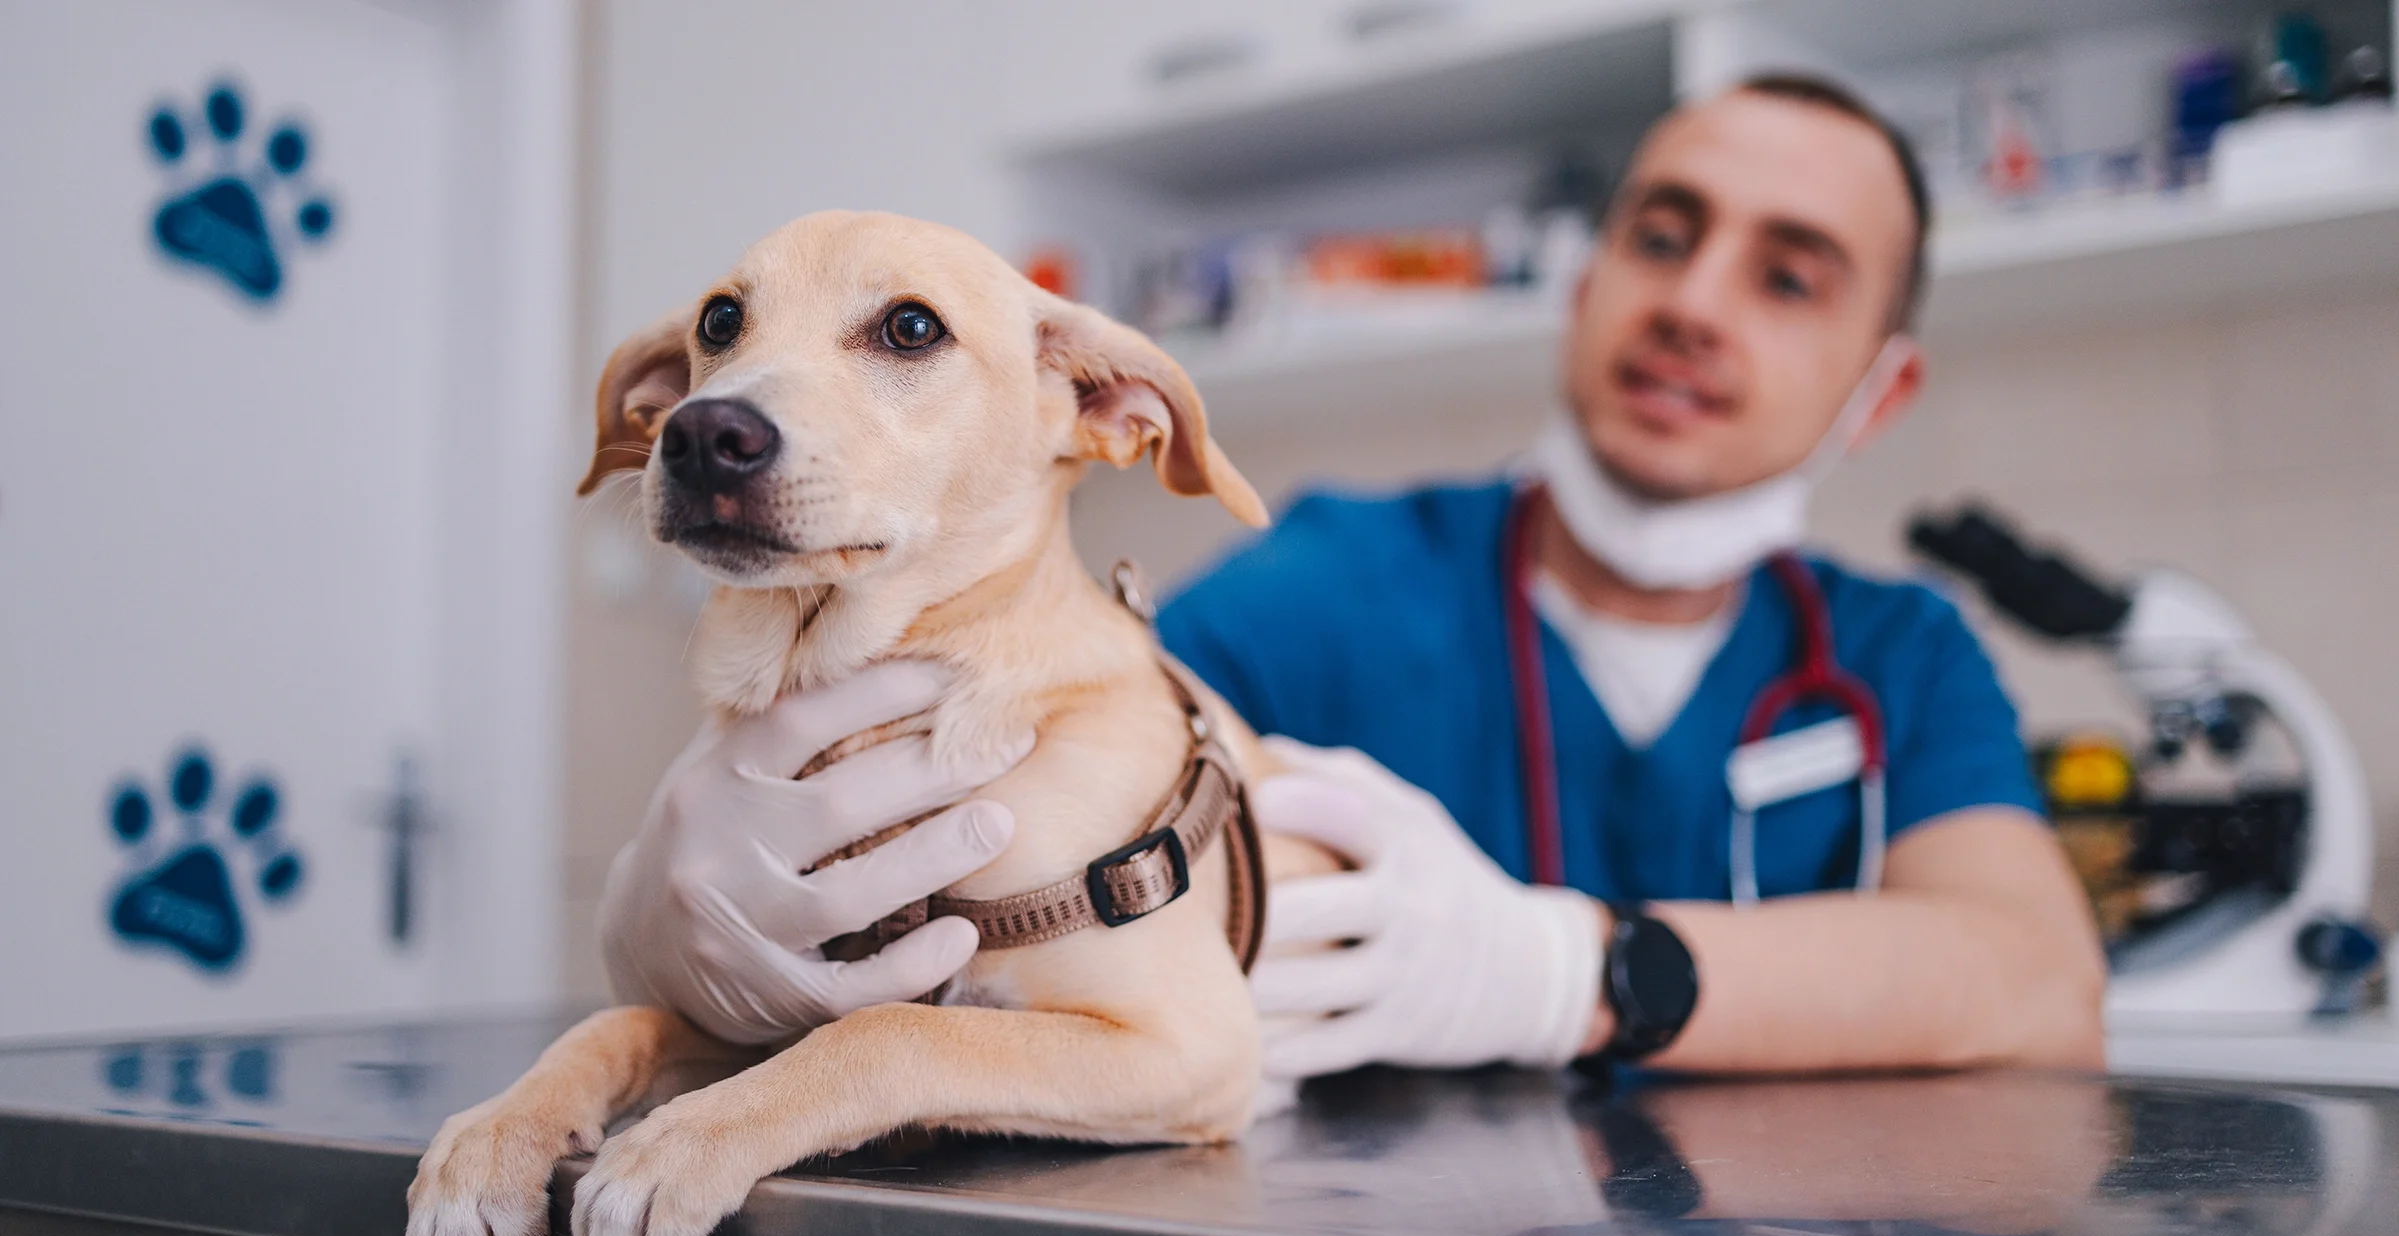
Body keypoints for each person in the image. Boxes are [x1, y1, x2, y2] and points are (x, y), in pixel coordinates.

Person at [599, 74, 2105, 1083]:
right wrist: (669, 922)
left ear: (1883, 388)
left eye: (1787, 275)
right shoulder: (1336, 580)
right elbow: (1055, 773)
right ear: (1589, 282)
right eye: (1663, 236)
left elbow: (2041, 986)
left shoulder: (1902, 654)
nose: (1695, 304)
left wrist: (1568, 972)